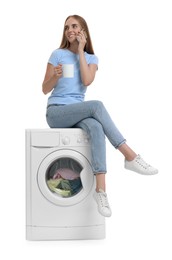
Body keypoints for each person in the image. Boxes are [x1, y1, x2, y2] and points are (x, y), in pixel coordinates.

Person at [42, 14, 158, 218]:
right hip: (57, 112)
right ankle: (130, 156)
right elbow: (44, 89)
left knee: (96, 127)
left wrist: (80, 51)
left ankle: (101, 192)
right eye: (67, 26)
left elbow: (86, 81)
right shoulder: (57, 54)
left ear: (83, 30)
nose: (70, 30)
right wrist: (54, 76)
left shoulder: (91, 59)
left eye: (75, 26)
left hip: (78, 113)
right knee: (97, 106)